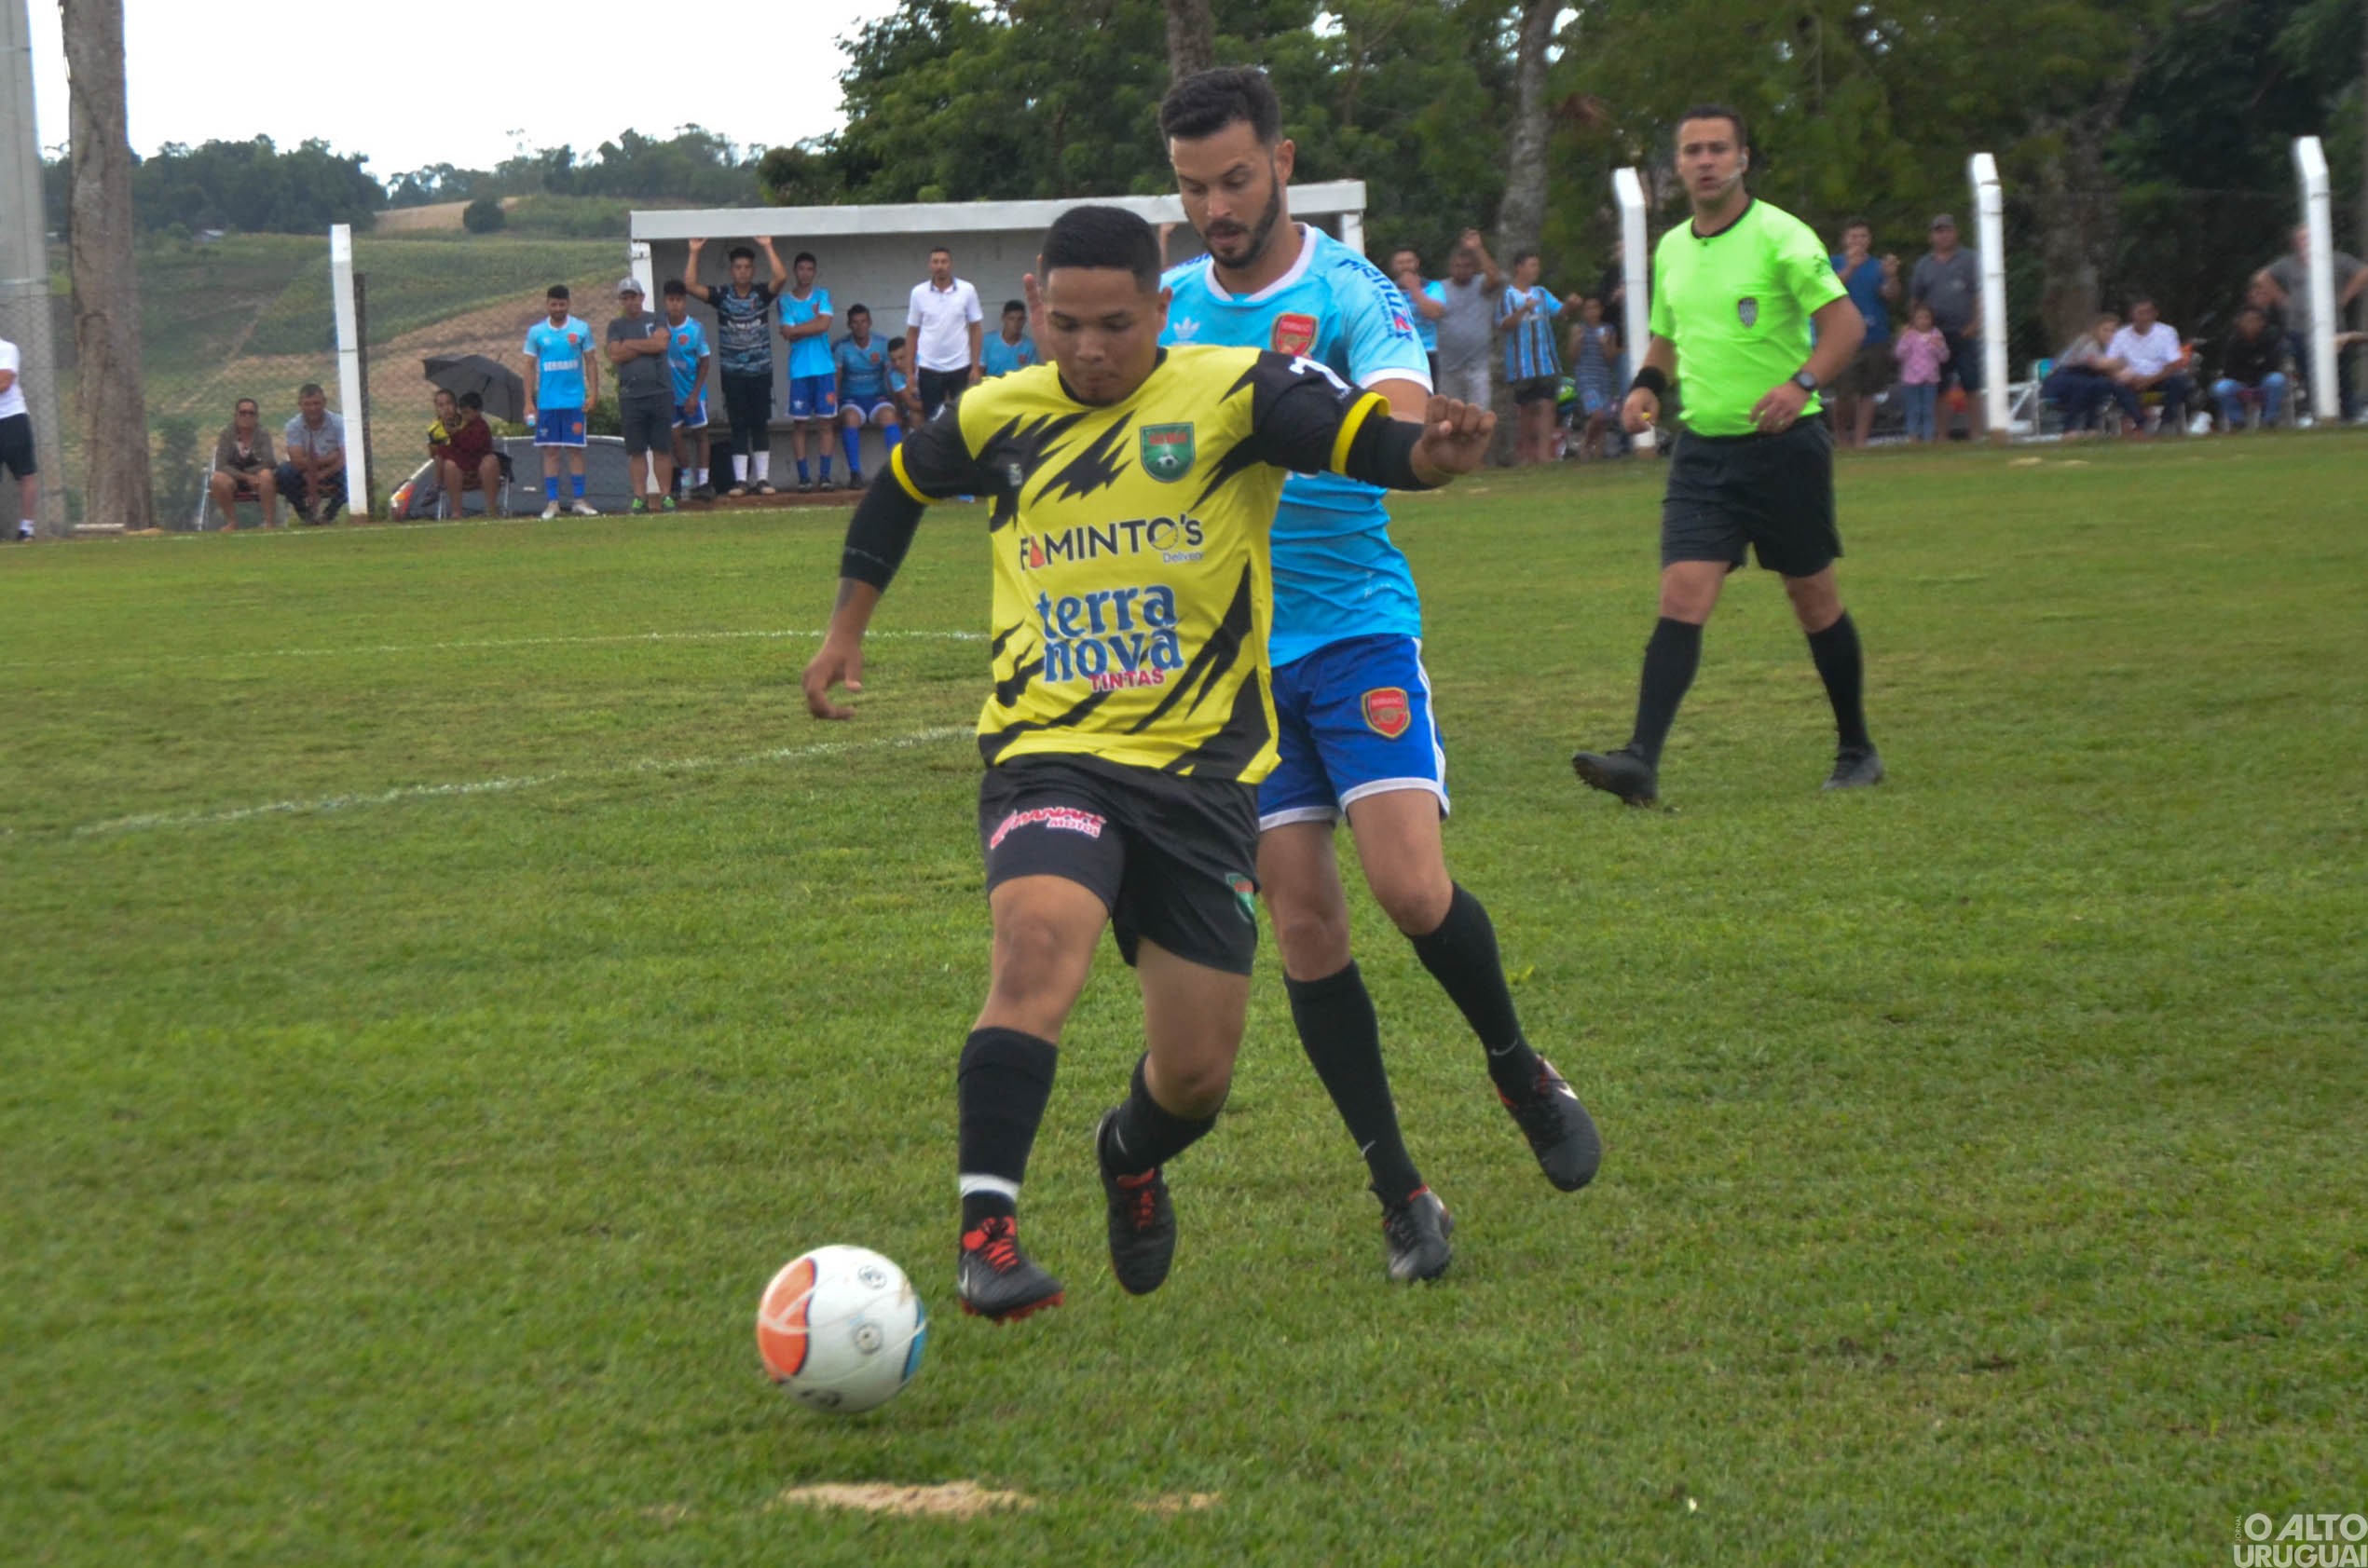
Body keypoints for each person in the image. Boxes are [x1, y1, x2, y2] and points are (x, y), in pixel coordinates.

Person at [800, 203, 1495, 1321]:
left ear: (1159, 311)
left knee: (1196, 1077)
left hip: (1201, 779)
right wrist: (846, 627)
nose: (1085, 350)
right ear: (1034, 305)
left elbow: (1356, 438)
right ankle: (988, 1234)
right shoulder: (998, 412)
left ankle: (1128, 1154)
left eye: (1114, 325)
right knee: (1037, 946)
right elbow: (901, 486)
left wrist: (1428, 455)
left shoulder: (1234, 392)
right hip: (1052, 755)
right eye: (1062, 324)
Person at [1152, 65, 1599, 1284]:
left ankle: (1514, 1062)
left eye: (1235, 179)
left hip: (1353, 628)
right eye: (1195, 187)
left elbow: (1396, 402)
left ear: (1281, 162)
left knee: (1410, 887)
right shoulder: (1171, 308)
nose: (1217, 206)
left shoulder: (1351, 292)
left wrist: (1424, 446)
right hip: (1233, 660)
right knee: (1303, 921)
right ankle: (1398, 1187)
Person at [1572, 103, 1881, 807]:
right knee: (1681, 595)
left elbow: (1846, 324)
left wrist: (1799, 382)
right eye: (1692, 150)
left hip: (1784, 450)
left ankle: (1857, 747)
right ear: (1676, 165)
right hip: (1703, 454)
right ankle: (1639, 760)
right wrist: (1646, 387)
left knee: (1812, 598)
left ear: (1742, 159)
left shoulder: (1780, 236)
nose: (1704, 160)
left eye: (1718, 149)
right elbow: (1666, 338)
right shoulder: (1672, 247)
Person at [685, 236, 787, 496]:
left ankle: (762, 479)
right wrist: (694, 252)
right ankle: (741, 480)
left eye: (747, 267)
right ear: (732, 270)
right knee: (738, 425)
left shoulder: (761, 294)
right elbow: (690, 285)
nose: (742, 271)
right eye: (738, 267)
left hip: (760, 371)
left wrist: (767, 246)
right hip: (733, 373)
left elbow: (781, 278)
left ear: (752, 270)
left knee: (760, 424)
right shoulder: (722, 296)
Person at [2255, 226, 2367, 419]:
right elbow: (2262, 277)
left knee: (2342, 373)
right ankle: (2315, 413)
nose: (2306, 242)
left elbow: (2363, 272)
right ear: (2295, 243)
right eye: (2302, 239)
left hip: (2334, 329)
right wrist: (2282, 299)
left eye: (2310, 238)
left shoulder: (2337, 259)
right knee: (2308, 374)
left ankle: (2350, 413)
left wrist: (2346, 296)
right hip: (2299, 328)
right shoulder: (2289, 264)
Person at [522, 285, 600, 518]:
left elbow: (591, 362)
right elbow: (528, 366)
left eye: (562, 304)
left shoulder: (581, 329)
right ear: (547, 304)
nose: (558, 309)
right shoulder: (536, 332)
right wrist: (528, 401)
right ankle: (552, 502)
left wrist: (594, 393)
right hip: (547, 403)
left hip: (574, 402)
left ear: (568, 304)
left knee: (575, 450)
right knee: (551, 451)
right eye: (553, 304)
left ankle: (579, 499)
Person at [606, 279, 677, 513]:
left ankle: (665, 495)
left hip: (659, 391)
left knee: (661, 447)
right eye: (625, 297)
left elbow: (661, 345)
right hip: (631, 396)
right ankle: (639, 497)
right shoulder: (615, 325)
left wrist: (631, 345)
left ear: (642, 297)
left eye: (633, 296)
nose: (630, 301)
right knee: (636, 450)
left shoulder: (656, 318)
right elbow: (615, 355)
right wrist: (645, 345)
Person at [1909, 214, 1983, 439]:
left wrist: (1976, 323)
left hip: (1965, 332)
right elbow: (1915, 300)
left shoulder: (1970, 259)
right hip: (1935, 336)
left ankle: (1977, 434)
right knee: (1938, 387)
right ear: (1932, 235)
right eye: (1938, 231)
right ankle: (1940, 437)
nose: (1944, 235)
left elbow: (1980, 294)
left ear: (1956, 232)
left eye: (1948, 230)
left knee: (1972, 385)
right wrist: (1917, 328)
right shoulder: (1924, 265)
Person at [1828, 218, 1899, 448]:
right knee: (1844, 393)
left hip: (1875, 335)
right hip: (1844, 338)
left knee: (1869, 391)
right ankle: (1840, 436)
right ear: (1845, 239)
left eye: (1863, 237)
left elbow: (1891, 295)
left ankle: (1861, 440)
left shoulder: (1878, 266)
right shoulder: (1834, 263)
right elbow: (1828, 291)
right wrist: (1850, 267)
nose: (1858, 241)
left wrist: (1890, 276)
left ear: (1869, 240)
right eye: (1854, 236)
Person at [777, 251, 839, 491]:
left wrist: (799, 329)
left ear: (814, 272)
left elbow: (824, 324)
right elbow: (787, 331)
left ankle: (825, 476)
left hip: (824, 368)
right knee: (800, 425)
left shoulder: (823, 294)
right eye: (801, 268)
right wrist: (813, 324)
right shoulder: (785, 300)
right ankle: (804, 477)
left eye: (809, 269)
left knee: (826, 424)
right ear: (795, 271)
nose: (805, 273)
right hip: (800, 370)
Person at [1496, 251, 1566, 464]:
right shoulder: (1507, 295)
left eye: (1537, 266)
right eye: (1532, 265)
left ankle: (1545, 455)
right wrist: (1522, 311)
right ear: (1519, 267)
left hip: (1546, 361)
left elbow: (1560, 312)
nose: (1536, 270)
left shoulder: (1542, 293)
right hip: (1522, 364)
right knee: (1525, 409)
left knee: (1547, 405)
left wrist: (1570, 305)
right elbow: (1504, 324)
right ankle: (1525, 454)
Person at [906, 246, 984, 421]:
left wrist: (976, 366)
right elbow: (912, 332)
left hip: (960, 366)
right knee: (933, 420)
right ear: (930, 265)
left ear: (951, 264)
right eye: (935, 262)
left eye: (944, 261)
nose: (940, 266)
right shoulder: (918, 293)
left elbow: (976, 328)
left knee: (962, 418)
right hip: (929, 367)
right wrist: (909, 372)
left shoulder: (967, 290)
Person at [1428, 231, 1501, 412]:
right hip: (1449, 367)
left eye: (1467, 266)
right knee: (1452, 416)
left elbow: (1495, 277)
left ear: (1474, 267)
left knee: (1478, 414)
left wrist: (1477, 249)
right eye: (1457, 266)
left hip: (1478, 367)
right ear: (1450, 267)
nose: (1462, 270)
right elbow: (1430, 312)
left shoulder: (1481, 285)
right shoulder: (1439, 288)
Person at [832, 305, 901, 488]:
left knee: (889, 416)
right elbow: (836, 379)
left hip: (878, 397)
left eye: (863, 321)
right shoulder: (842, 347)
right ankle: (855, 473)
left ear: (870, 323)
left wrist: (898, 405)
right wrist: (833, 409)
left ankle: (898, 470)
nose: (860, 326)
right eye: (855, 322)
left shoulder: (882, 344)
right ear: (849, 325)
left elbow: (891, 377)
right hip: (851, 399)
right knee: (850, 418)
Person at [2040, 313, 2138, 437]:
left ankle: (2093, 428)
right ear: (2096, 330)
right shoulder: (2086, 342)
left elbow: (2116, 368)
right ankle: (2070, 430)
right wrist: (2123, 365)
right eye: (2105, 330)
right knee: (2087, 385)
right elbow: (2098, 364)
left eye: (2113, 331)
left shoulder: (2113, 347)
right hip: (2061, 379)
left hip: (2087, 379)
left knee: (2100, 385)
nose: (2109, 334)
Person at [662, 280, 715, 501]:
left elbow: (704, 361)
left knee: (700, 435)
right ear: (665, 302)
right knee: (674, 437)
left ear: (685, 302)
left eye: (679, 300)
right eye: (671, 300)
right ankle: (686, 480)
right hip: (670, 396)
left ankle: (703, 482)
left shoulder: (695, 328)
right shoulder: (659, 328)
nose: (675, 305)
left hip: (692, 394)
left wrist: (695, 394)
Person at [2106, 297, 2192, 434]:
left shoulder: (2166, 332)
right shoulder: (2121, 335)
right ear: (2132, 315)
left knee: (2179, 382)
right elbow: (2111, 363)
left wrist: (2150, 380)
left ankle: (2166, 423)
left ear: (2154, 314)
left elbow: (2174, 363)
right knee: (2115, 385)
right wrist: (2129, 377)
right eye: (2140, 313)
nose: (2144, 317)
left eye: (2148, 312)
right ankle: (2142, 423)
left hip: (2159, 378)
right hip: (2132, 380)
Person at [276, 383, 348, 525]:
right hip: (305, 471)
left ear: (324, 403)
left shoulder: (338, 422)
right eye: (307, 404)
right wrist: (329, 458)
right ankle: (305, 513)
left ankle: (329, 514)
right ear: (300, 405)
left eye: (317, 403)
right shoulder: (293, 426)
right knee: (284, 473)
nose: (313, 408)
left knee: (353, 474)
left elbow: (345, 457)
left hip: (333, 471)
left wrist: (323, 473)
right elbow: (297, 461)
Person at [2211, 305, 2288, 432]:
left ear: (2262, 323)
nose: (2251, 324)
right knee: (2221, 388)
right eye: (2247, 320)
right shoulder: (2232, 342)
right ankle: (2238, 421)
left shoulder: (2271, 339)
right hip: (2241, 384)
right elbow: (2228, 369)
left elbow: (2274, 365)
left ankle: (2268, 421)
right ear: (2240, 322)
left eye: (2255, 320)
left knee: (2277, 380)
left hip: (2263, 383)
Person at [207, 397, 279, 529]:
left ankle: (269, 523)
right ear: (235, 415)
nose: (247, 416)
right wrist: (245, 477)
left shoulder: (262, 434)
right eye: (243, 413)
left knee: (267, 475)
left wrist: (253, 475)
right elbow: (221, 465)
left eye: (251, 413)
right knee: (218, 479)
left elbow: (270, 461)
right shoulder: (227, 434)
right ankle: (231, 522)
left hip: (257, 477)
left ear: (257, 416)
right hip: (233, 478)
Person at [429, 389, 503, 515]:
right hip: (457, 470)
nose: (446, 409)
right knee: (449, 465)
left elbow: (475, 446)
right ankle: (456, 513)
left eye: (449, 404)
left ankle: (492, 511)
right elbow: (438, 453)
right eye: (441, 406)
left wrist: (456, 434)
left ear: (455, 405)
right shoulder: (437, 428)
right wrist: (444, 438)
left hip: (478, 468)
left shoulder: (475, 424)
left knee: (490, 461)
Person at [1565, 296, 1622, 459]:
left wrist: (1604, 343)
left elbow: (1611, 359)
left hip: (1603, 379)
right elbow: (1572, 357)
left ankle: (1597, 454)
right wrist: (1576, 341)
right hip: (1586, 379)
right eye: (1588, 309)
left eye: (1595, 308)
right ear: (1583, 312)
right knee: (1597, 415)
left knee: (1605, 419)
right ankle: (1585, 446)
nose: (1592, 312)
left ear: (1601, 310)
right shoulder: (1578, 329)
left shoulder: (1608, 330)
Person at [1890, 303, 1948, 443]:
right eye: (1919, 317)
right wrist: (1903, 339)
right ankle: (1913, 437)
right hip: (1911, 380)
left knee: (1928, 410)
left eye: (1926, 317)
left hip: (1930, 379)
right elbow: (1899, 354)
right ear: (1913, 320)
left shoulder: (1936, 335)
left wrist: (1938, 346)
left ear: (1932, 319)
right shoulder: (1909, 336)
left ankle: (1928, 437)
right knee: (1913, 409)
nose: (1923, 321)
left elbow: (1944, 357)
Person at [0, 335, 36, 541]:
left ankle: (27, 528)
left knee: (25, 475)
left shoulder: (6, 349)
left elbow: (4, 382)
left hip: (12, 419)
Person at [1391, 247, 1444, 383]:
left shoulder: (1433, 287)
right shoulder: (1387, 289)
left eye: (1409, 261)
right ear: (1393, 266)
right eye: (1400, 262)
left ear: (1417, 263)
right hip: (1397, 353)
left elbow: (1434, 313)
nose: (1405, 266)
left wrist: (1414, 288)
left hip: (1427, 352)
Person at [981, 299, 1039, 377]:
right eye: (1011, 319)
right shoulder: (987, 341)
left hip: (1018, 387)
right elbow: (979, 371)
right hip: (993, 387)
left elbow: (1032, 375)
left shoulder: (1029, 345)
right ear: (1003, 318)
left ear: (1025, 320)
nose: (1016, 323)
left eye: (1020, 319)